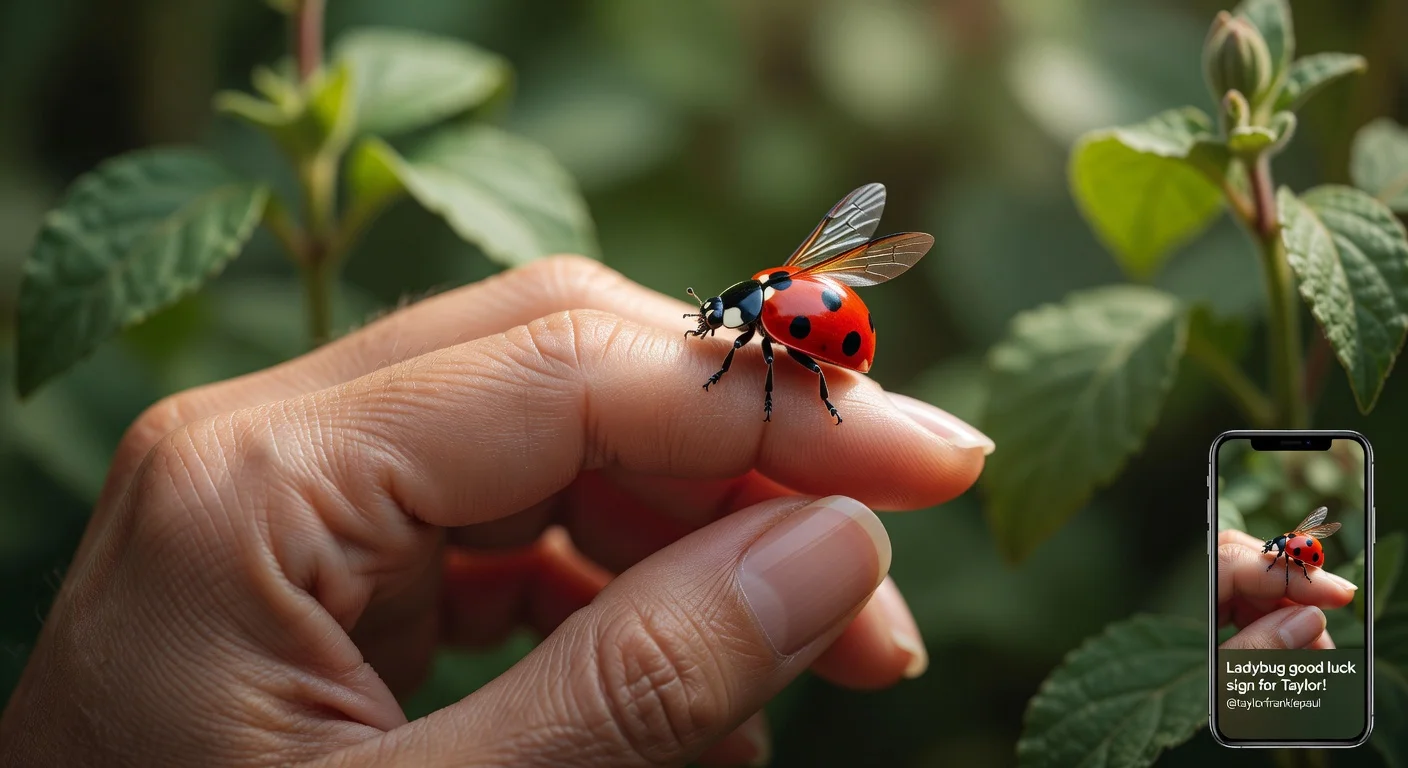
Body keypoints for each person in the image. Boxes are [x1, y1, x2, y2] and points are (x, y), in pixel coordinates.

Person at [0, 255, 996, 767]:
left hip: (832, 355)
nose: (711, 332)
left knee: (783, 383)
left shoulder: (771, 323)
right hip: (830, 347)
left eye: (714, 322)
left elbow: (790, 349)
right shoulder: (768, 311)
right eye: (720, 323)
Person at [1215, 528, 1357, 650]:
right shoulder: (1287, 542)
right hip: (1312, 550)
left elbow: (1286, 560)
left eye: (1271, 546)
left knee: (1292, 564)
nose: (1269, 548)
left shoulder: (1287, 547)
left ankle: (1306, 575)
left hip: (1314, 555)